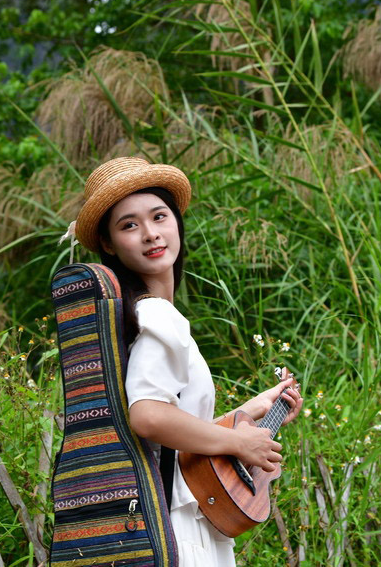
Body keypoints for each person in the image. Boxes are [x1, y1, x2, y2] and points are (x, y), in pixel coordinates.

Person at [72, 156, 304, 566]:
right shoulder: (158, 316)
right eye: (129, 225)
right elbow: (147, 416)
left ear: (176, 222)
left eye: (159, 216)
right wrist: (238, 442)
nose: (150, 233)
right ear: (108, 244)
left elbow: (166, 438)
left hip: (160, 520)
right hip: (177, 530)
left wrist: (251, 411)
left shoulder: (137, 316)